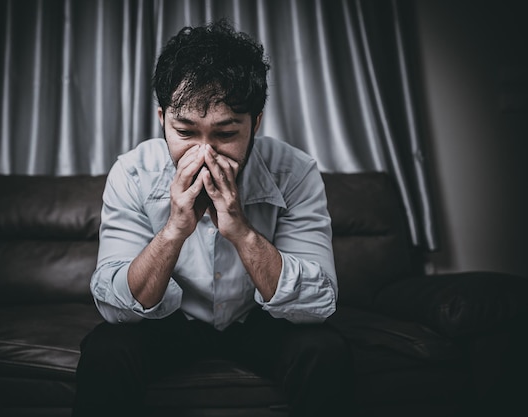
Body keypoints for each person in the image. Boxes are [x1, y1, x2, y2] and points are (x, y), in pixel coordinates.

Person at [72, 19, 351, 417]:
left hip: (257, 321)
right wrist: (174, 231)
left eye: (224, 133)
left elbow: (319, 303)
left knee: (325, 350)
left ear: (255, 123)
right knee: (106, 350)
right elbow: (116, 306)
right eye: (185, 131)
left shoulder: (295, 172)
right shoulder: (133, 173)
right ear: (162, 119)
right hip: (173, 323)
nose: (204, 154)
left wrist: (239, 229)